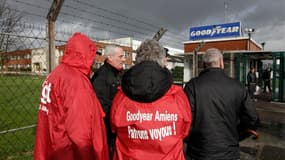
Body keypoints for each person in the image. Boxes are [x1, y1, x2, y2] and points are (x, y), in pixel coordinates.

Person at [110, 39, 192, 160]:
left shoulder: (121, 96)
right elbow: (185, 130)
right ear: (162, 61)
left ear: (137, 61)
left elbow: (114, 127)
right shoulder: (177, 95)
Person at [34, 33, 109, 160]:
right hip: (69, 153)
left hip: (53, 149)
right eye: (91, 55)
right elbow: (81, 135)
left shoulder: (56, 74)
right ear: (83, 55)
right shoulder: (76, 81)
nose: (93, 60)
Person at [184, 48, 258, 160]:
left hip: (199, 152)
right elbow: (252, 119)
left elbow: (184, 121)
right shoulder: (237, 86)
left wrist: (193, 140)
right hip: (229, 152)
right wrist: (236, 135)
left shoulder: (192, 86)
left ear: (204, 64)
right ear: (221, 63)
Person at [91, 44, 126, 157]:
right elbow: (100, 105)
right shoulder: (101, 76)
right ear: (110, 57)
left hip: (118, 128)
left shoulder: (119, 74)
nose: (124, 60)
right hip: (107, 131)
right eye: (120, 57)